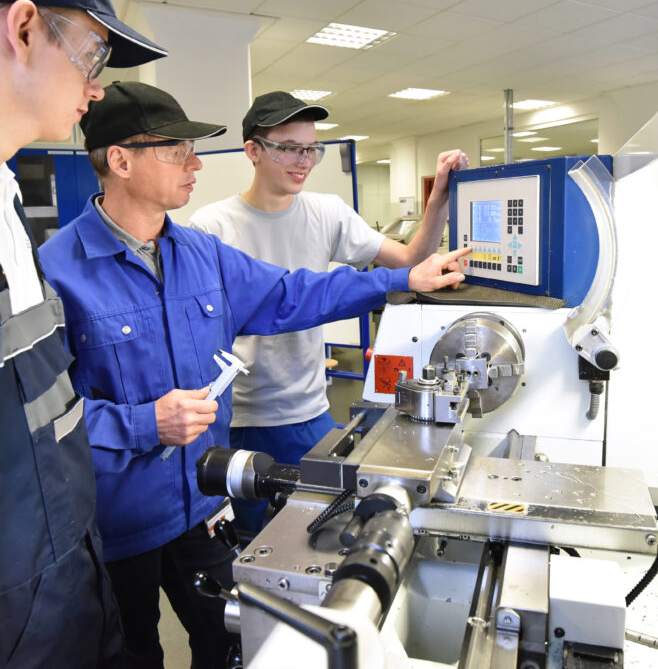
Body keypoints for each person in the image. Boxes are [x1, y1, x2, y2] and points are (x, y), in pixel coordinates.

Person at [37, 80, 468, 668]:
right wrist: (144, 422)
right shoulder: (56, 272)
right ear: (120, 160)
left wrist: (398, 280)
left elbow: (295, 293)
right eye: (176, 151)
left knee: (235, 641)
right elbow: (39, 422)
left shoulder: (199, 253)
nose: (194, 164)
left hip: (202, 504)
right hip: (115, 525)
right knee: (130, 654)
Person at [0, 0, 167, 669]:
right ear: (23, 28)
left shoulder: (8, 204)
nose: (97, 86)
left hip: (71, 591)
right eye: (93, 52)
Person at [189, 91, 468, 531]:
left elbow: (410, 262)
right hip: (240, 417)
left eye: (311, 149)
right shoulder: (211, 227)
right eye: (288, 148)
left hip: (308, 411)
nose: (302, 160)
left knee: (322, 531)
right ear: (253, 151)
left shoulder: (327, 213)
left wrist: (439, 201)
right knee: (243, 540)